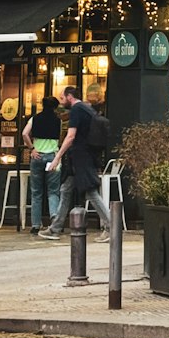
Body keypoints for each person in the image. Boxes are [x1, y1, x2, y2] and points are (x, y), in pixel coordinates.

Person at [38, 86, 112, 241]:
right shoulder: (87, 109)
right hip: (81, 157)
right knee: (65, 190)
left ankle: (111, 227)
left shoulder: (77, 110)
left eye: (62, 98)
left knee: (91, 192)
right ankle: (55, 228)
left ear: (70, 97)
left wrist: (57, 157)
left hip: (81, 157)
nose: (61, 102)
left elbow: (71, 136)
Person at [22, 96, 62, 235]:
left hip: (37, 156)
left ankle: (35, 225)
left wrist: (32, 148)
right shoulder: (58, 121)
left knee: (36, 192)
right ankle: (54, 220)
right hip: (53, 157)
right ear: (55, 107)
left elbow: (25, 134)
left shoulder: (34, 119)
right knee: (53, 191)